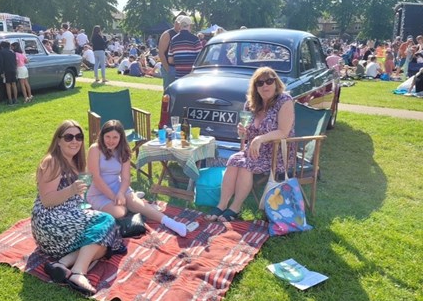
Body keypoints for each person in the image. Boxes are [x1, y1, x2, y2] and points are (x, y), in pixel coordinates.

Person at [31, 120, 124, 295]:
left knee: (104, 243)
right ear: (58, 141)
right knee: (107, 220)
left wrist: (79, 198)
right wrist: (72, 189)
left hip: (66, 217)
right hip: (50, 223)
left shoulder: (75, 161)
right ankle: (79, 272)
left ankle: (61, 264)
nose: (75, 141)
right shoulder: (52, 161)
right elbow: (47, 200)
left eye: (79, 137)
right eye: (69, 137)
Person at [206, 67, 295, 221]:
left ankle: (235, 207)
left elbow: (283, 132)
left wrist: (259, 139)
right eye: (260, 83)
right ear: (255, 87)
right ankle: (222, 205)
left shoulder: (284, 101)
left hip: (277, 152)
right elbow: (247, 133)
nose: (265, 86)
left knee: (246, 165)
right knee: (234, 160)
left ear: (276, 83)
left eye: (269, 81)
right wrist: (242, 131)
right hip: (254, 150)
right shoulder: (251, 104)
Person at [87, 120, 187, 237]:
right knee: (120, 212)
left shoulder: (123, 150)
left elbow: (125, 178)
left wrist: (120, 193)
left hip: (117, 187)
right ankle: (131, 201)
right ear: (102, 135)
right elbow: (96, 178)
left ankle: (171, 223)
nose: (111, 141)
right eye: (107, 136)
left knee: (135, 204)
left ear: (121, 138)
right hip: (98, 192)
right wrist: (115, 197)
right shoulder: (95, 149)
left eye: (115, 137)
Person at [158, 16, 181, 90]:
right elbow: (161, 53)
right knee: (169, 92)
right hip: (170, 67)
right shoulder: (167, 34)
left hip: (179, 68)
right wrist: (167, 68)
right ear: (175, 23)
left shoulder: (182, 35)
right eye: (179, 23)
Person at [0, 40, 18, 104]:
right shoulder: (13, 52)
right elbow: (15, 62)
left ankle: (10, 100)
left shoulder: (1, 52)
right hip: (13, 69)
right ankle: (15, 99)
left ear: (2, 46)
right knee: (14, 84)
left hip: (6, 70)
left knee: (8, 85)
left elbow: (1, 63)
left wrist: (1, 72)